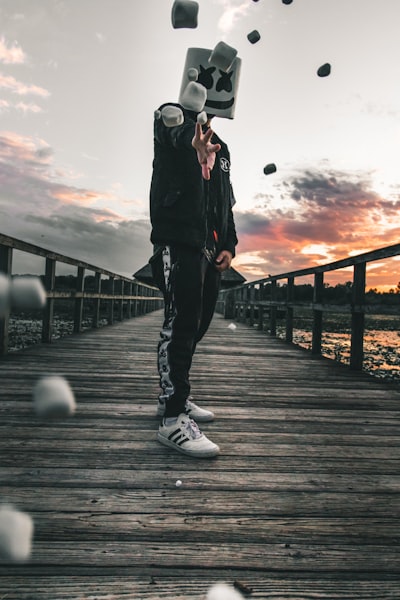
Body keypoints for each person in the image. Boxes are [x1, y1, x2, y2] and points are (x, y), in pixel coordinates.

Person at [149, 103, 238, 458]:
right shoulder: (170, 119)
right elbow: (174, 128)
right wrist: (192, 141)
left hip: (208, 247)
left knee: (198, 323)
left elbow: (225, 202)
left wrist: (229, 245)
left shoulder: (222, 149)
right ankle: (172, 420)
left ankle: (176, 397)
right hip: (177, 240)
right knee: (181, 323)